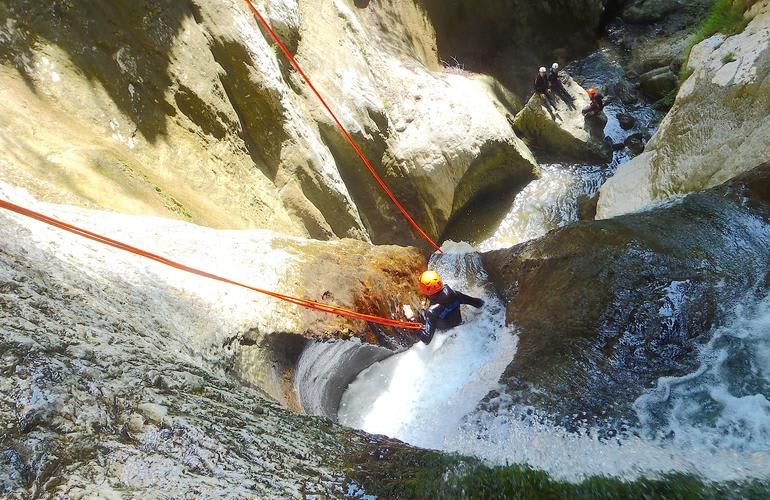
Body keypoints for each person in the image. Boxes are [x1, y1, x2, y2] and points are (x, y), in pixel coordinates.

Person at [406, 271, 484, 345]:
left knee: (422, 313)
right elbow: (478, 303)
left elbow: (427, 339)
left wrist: (411, 318)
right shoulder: (455, 294)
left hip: (445, 330)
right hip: (459, 324)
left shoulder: (431, 312)